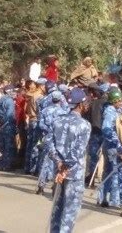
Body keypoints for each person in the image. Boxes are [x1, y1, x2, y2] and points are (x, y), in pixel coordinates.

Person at [46, 88, 91, 233]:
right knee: (69, 212)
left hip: (58, 171)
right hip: (74, 173)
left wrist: (59, 163)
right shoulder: (84, 125)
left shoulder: (57, 121)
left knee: (57, 208)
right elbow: (78, 151)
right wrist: (65, 166)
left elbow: (49, 143)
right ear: (81, 104)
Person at [36, 91, 68, 194]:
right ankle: (55, 186)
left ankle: (41, 186)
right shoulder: (63, 112)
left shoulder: (45, 111)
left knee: (45, 162)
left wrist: (49, 130)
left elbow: (40, 125)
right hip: (59, 139)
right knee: (58, 162)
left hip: (47, 137)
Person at [98, 89, 122, 207]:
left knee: (108, 171)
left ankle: (102, 198)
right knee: (114, 172)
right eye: (119, 100)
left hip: (111, 145)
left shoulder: (116, 110)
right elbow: (106, 129)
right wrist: (116, 140)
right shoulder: (110, 111)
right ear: (115, 101)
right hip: (112, 146)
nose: (121, 102)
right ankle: (114, 200)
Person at [84, 83, 106, 186]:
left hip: (95, 132)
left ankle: (91, 177)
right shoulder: (106, 103)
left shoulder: (93, 103)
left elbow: (86, 117)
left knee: (93, 156)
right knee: (100, 156)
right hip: (102, 132)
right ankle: (95, 177)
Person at [0, 85, 17, 171]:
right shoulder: (9, 101)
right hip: (8, 125)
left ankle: (0, 164)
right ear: (9, 91)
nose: (14, 93)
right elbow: (9, 115)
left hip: (0, 126)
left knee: (0, 146)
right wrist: (4, 121)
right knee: (8, 146)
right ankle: (7, 165)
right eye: (13, 91)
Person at [24, 79, 45, 174]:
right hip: (37, 120)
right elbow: (40, 112)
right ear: (41, 86)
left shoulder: (31, 95)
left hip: (31, 120)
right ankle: (34, 169)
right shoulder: (40, 97)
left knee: (30, 144)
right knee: (36, 145)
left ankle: (27, 167)